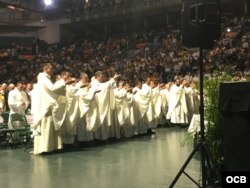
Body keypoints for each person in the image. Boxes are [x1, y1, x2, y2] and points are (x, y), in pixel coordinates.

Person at [32, 63, 71, 154]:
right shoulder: (42, 77)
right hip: (45, 106)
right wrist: (62, 81)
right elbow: (52, 88)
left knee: (49, 126)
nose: (52, 70)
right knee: (46, 127)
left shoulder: (45, 78)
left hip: (48, 105)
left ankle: (51, 147)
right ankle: (45, 148)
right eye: (51, 68)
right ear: (45, 69)